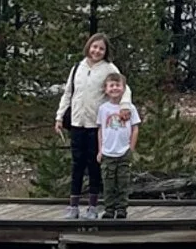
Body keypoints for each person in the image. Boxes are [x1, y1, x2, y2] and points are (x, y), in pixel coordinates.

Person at [54, 33, 130, 222]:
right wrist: (59, 117)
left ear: (105, 52)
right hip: (77, 123)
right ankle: (73, 206)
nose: (96, 51)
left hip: (96, 125)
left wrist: (125, 105)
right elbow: (68, 93)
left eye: (101, 48)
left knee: (94, 164)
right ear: (88, 46)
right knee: (77, 164)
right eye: (94, 47)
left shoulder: (108, 68)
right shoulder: (77, 67)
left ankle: (93, 206)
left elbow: (125, 88)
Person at [95, 70, 141, 226]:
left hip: (123, 151)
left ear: (123, 88)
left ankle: (122, 209)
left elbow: (135, 128)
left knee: (123, 182)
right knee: (108, 183)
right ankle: (109, 209)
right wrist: (100, 150)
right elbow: (101, 130)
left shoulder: (130, 109)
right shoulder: (103, 109)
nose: (115, 88)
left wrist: (131, 148)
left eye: (118, 85)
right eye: (111, 86)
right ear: (106, 89)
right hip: (108, 152)